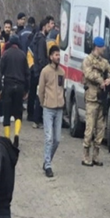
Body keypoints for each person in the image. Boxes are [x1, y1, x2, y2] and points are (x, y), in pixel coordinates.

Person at [81, 37, 110, 167]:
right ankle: (85, 156)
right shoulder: (87, 60)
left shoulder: (104, 62)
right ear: (97, 47)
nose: (104, 49)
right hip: (91, 98)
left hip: (101, 99)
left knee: (100, 129)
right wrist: (101, 81)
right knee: (89, 128)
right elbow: (88, 74)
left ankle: (95, 156)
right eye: (103, 47)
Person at [38, 45, 65, 178]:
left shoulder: (62, 72)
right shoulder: (45, 71)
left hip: (59, 108)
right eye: (55, 54)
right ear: (50, 57)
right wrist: (43, 103)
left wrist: (62, 101)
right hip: (48, 108)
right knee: (48, 138)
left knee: (57, 139)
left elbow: (62, 87)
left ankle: (47, 160)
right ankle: (48, 165)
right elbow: (41, 89)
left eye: (58, 54)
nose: (58, 57)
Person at [0, 34, 29, 148]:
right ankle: (16, 134)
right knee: (18, 113)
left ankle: (7, 139)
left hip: (8, 85)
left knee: (6, 114)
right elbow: (27, 74)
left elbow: (0, 72)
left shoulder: (5, 54)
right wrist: (26, 89)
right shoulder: (22, 55)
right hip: (20, 86)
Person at [29, 17, 53, 127]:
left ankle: (36, 118)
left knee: (38, 94)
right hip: (40, 71)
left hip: (36, 70)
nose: (51, 27)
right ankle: (37, 119)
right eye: (49, 25)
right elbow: (41, 57)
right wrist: (45, 68)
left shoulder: (37, 38)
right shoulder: (42, 40)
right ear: (44, 26)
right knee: (41, 95)